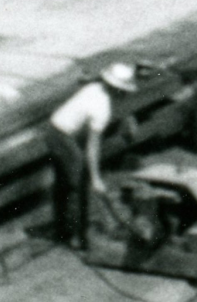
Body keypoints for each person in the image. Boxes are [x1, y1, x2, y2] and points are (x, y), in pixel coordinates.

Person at [45, 61, 138, 248]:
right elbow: (92, 146)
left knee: (64, 183)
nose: (126, 94)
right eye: (124, 90)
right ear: (116, 89)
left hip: (52, 128)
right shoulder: (101, 108)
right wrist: (96, 178)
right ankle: (78, 238)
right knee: (78, 184)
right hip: (61, 136)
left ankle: (62, 229)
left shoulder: (95, 86)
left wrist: (128, 117)